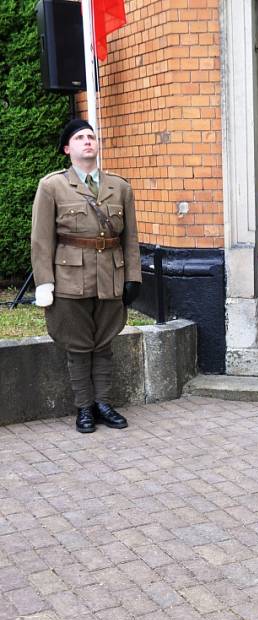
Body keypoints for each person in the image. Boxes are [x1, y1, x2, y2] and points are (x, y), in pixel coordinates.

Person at [31, 119, 142, 433]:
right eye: (79, 137)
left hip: (111, 275)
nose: (87, 141)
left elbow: (130, 237)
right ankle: (84, 407)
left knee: (104, 343)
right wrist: (45, 283)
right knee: (78, 345)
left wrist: (133, 276)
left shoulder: (119, 187)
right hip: (69, 277)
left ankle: (103, 404)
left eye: (91, 136)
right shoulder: (52, 186)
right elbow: (41, 239)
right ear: (68, 149)